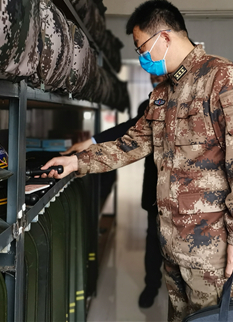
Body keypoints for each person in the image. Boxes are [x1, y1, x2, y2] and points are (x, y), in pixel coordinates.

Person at [41, 0, 233, 322]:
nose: (141, 57)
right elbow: (131, 143)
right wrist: (79, 162)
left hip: (214, 256)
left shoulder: (225, 80)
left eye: (141, 48)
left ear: (164, 37)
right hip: (173, 248)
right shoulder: (163, 94)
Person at [62, 74, 166, 309]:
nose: (155, 78)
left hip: (185, 195)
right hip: (156, 189)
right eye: (151, 75)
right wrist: (93, 142)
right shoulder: (149, 104)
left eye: (159, 74)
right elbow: (130, 131)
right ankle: (151, 286)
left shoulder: (191, 99)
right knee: (153, 239)